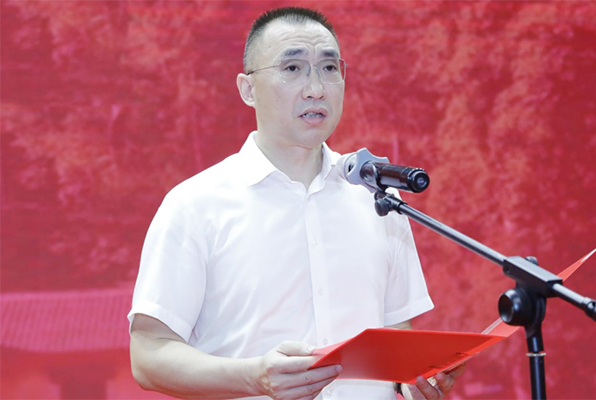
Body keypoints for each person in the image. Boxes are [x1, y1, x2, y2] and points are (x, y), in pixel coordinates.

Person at [128, 7, 464, 400]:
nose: (316, 89)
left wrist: (411, 384)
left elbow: (396, 331)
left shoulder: (377, 198)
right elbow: (149, 355)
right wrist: (254, 377)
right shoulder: (195, 205)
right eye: (292, 69)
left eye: (329, 68)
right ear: (248, 89)